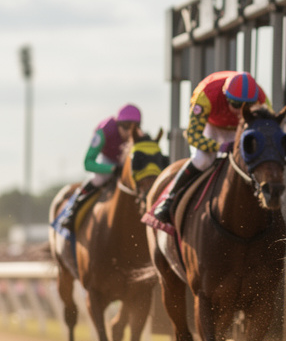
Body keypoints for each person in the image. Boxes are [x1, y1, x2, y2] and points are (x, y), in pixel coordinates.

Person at [151, 70, 268, 225]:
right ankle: (169, 199)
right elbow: (193, 135)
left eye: (247, 105)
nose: (240, 110)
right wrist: (219, 147)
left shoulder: (261, 98)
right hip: (212, 126)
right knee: (202, 160)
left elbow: (269, 131)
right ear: (225, 96)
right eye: (236, 104)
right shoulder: (205, 94)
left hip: (243, 128)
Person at [59, 103, 141, 234]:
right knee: (99, 179)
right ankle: (71, 213)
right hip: (108, 162)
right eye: (126, 126)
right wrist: (112, 169)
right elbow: (88, 163)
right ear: (118, 124)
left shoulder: (139, 136)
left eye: (135, 127)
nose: (129, 133)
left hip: (127, 164)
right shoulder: (104, 131)